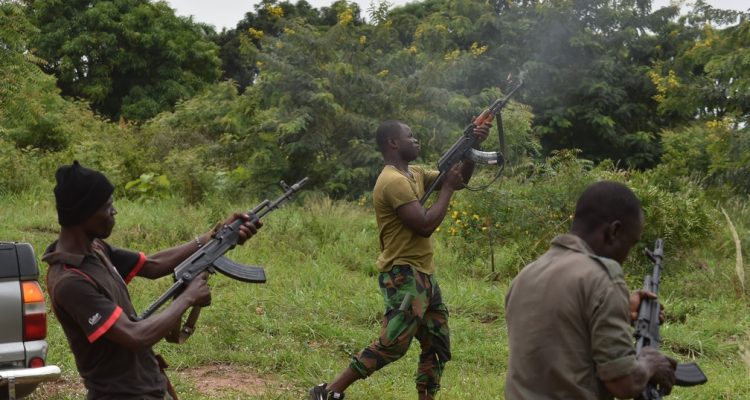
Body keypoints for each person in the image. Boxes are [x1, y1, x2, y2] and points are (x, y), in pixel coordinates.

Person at [43, 161, 261, 400]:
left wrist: (216, 237)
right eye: (107, 206)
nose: (113, 212)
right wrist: (188, 298)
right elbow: (135, 336)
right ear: (83, 213)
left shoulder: (94, 248)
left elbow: (152, 265)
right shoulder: (70, 281)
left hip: (150, 384)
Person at [310, 120, 492, 400]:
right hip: (404, 276)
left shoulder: (414, 173)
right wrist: (447, 190)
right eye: (410, 136)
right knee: (393, 343)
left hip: (424, 276)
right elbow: (424, 225)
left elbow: (458, 180)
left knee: (437, 344)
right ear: (393, 143)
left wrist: (472, 146)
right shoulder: (392, 181)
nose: (416, 140)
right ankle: (330, 391)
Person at [504, 181, 677, 399]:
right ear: (614, 231)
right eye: (630, 244)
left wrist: (620, 308)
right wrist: (650, 362)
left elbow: (561, 334)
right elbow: (622, 382)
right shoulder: (602, 278)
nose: (626, 256)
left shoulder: (526, 275)